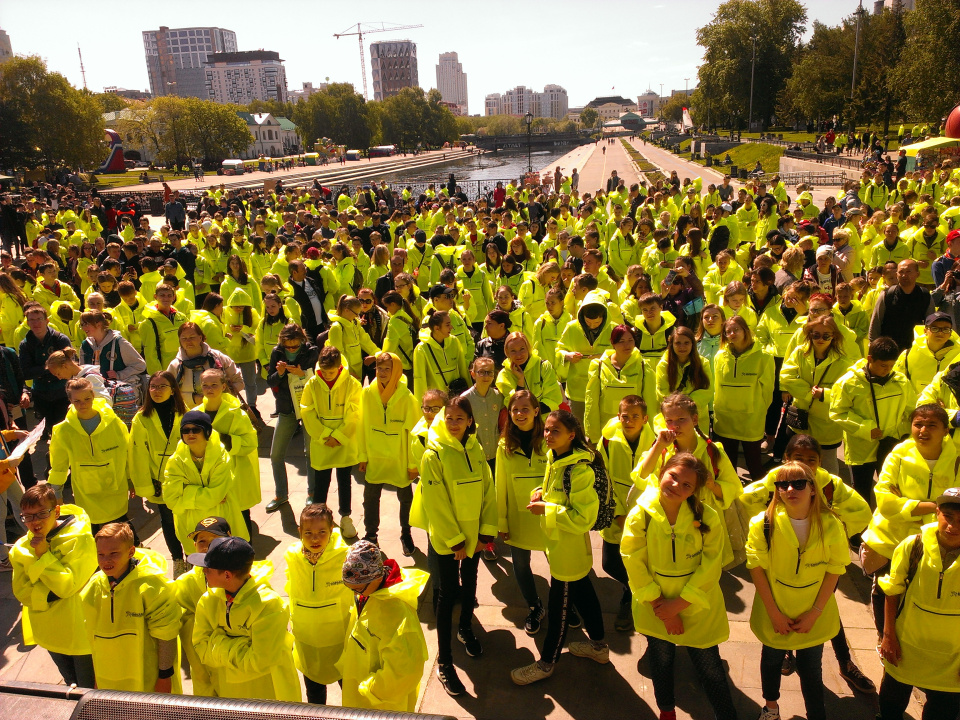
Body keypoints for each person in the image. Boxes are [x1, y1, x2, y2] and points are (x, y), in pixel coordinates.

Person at [740, 433, 874, 690]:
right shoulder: (776, 480)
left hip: (821, 563)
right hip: (782, 562)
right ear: (786, 459)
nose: (805, 464)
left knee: (821, 610)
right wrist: (766, 525)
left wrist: (836, 529)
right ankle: (788, 651)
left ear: (820, 462)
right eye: (797, 458)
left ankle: (845, 662)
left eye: (811, 460)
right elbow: (745, 500)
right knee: (786, 609)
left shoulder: (830, 484)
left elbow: (862, 510)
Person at [621, 453, 738, 720]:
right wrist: (660, 605)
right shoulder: (641, 513)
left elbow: (711, 564)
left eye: (687, 485)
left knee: (711, 669)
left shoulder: (707, 516)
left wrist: (679, 605)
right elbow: (632, 559)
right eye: (673, 476)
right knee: (660, 664)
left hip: (697, 608)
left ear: (695, 491)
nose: (676, 486)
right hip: (657, 608)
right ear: (662, 472)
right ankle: (666, 711)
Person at [746, 462, 851, 720]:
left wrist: (814, 613)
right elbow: (756, 567)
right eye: (783, 484)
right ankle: (771, 707)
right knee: (771, 660)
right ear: (777, 491)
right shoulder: (763, 523)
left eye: (799, 483)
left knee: (811, 667)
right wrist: (774, 613)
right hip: (775, 607)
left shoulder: (831, 524)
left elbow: (835, 569)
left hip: (812, 608)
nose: (790, 489)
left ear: (813, 489)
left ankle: (816, 713)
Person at [511, 410, 608, 686]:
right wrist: (542, 492)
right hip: (562, 548)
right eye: (547, 430)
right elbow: (559, 493)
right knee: (586, 596)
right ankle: (599, 647)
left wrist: (547, 509)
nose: (548, 435)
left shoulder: (579, 469)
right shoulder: (557, 457)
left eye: (555, 431)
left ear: (571, 435)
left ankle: (546, 663)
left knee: (559, 611)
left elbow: (583, 518)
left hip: (569, 552)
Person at [413, 394, 496, 696]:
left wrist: (485, 533)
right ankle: (445, 662)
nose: (453, 423)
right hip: (448, 541)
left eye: (459, 418)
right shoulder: (432, 454)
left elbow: (488, 490)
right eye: (449, 418)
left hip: (472, 537)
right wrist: (456, 541)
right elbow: (436, 503)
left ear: (470, 421)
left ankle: (465, 628)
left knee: (471, 584)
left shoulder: (476, 449)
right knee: (446, 595)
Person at [861, 404, 957, 638]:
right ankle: (884, 641)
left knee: (920, 597)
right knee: (884, 594)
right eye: (918, 424)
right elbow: (884, 501)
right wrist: (935, 506)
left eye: (931, 425)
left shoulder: (957, 459)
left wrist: (904, 502)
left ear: (946, 430)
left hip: (933, 543)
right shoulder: (899, 454)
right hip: (890, 541)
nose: (923, 430)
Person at [876, 486, 960, 720]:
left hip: (952, 661)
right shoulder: (913, 546)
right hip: (905, 650)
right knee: (890, 708)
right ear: (937, 514)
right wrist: (888, 636)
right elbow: (892, 592)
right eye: (948, 517)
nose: (953, 526)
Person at [191, 536, 301, 702]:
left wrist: (218, 641)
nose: (203, 571)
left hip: (272, 696)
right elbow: (200, 647)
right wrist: (243, 646)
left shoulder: (269, 605)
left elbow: (259, 662)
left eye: (208, 569)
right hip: (230, 695)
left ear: (227, 575)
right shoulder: (208, 600)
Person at [10, 484, 97, 688]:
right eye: (28, 516)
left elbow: (68, 586)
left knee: (88, 688)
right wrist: (49, 593)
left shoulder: (81, 539)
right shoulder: (21, 548)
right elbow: (22, 593)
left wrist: (43, 557)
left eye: (41, 513)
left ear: (56, 510)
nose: (35, 522)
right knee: (70, 684)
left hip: (79, 633)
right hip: (49, 633)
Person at [81, 522, 182, 693]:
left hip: (148, 677)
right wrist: (98, 677)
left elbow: (167, 637)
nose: (106, 560)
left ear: (131, 552)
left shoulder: (152, 587)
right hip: (109, 678)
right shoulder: (93, 587)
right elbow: (93, 639)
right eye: (101, 554)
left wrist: (165, 677)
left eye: (114, 553)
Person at [338, 539, 429, 712]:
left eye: (357, 589)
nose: (355, 593)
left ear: (376, 577)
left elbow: (405, 672)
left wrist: (369, 689)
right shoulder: (366, 592)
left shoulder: (399, 617)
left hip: (382, 703)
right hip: (359, 685)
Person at [830, 336, 916, 507]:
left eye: (891, 366)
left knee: (891, 488)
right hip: (861, 447)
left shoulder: (901, 381)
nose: (887, 370)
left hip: (891, 443)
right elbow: (837, 412)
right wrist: (865, 428)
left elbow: (911, 411)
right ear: (870, 359)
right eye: (883, 366)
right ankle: (860, 528)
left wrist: (902, 434)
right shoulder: (848, 382)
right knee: (861, 490)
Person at [284, 504, 352, 705]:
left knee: (348, 689)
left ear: (332, 530)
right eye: (308, 533)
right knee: (314, 694)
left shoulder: (345, 556)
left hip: (338, 636)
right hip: (307, 638)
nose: (315, 538)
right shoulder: (292, 555)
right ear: (300, 532)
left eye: (322, 532)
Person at [598, 395, 655, 633]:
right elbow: (603, 479)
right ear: (618, 416)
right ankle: (635, 590)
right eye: (624, 416)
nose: (629, 421)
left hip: (645, 517)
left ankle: (631, 600)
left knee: (640, 560)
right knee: (610, 563)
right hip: (616, 514)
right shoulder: (609, 441)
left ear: (645, 418)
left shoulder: (656, 444)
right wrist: (619, 515)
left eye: (635, 417)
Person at [496, 390, 550, 635]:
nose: (519, 414)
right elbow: (501, 485)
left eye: (525, 409)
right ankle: (534, 605)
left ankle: (564, 605)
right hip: (517, 517)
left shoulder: (550, 440)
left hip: (548, 515)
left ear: (536, 411)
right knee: (520, 564)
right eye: (515, 410)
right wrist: (501, 521)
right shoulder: (504, 445)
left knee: (557, 562)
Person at [48, 377, 132, 534]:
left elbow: (126, 453)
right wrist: (57, 492)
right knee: (91, 534)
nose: (83, 404)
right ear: (70, 401)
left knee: (122, 530)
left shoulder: (113, 423)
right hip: (86, 492)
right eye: (77, 401)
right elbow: (58, 464)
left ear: (94, 396)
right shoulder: (63, 431)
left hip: (115, 488)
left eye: (87, 399)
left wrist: (131, 479)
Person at [357, 352, 419, 554]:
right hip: (375, 455)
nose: (382, 373)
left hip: (399, 456)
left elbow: (414, 433)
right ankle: (371, 534)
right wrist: (362, 455)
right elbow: (361, 424)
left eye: (387, 369)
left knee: (405, 498)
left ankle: (406, 533)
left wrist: (412, 464)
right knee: (371, 497)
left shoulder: (407, 397)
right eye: (379, 368)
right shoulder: (367, 393)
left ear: (396, 371)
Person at [162, 409, 249, 552]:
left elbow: (216, 495)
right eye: (186, 430)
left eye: (196, 429)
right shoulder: (175, 461)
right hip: (190, 525)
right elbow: (170, 499)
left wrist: (186, 493)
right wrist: (207, 495)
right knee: (199, 566)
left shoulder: (222, 457)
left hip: (221, 520)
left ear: (207, 432)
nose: (190, 434)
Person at [130, 371, 189, 577]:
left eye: (162, 386)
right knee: (168, 521)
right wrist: (144, 483)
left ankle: (191, 557)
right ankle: (177, 559)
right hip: (159, 480)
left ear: (173, 390)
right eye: (153, 387)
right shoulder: (142, 418)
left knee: (186, 518)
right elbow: (137, 454)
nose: (156, 391)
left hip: (184, 479)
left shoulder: (185, 413)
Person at [779, 317, 855, 475]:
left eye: (826, 335)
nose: (821, 339)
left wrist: (824, 395)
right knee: (796, 462)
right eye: (816, 335)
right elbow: (786, 376)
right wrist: (808, 393)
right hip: (801, 419)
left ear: (834, 336)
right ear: (809, 334)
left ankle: (828, 497)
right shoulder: (800, 352)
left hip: (826, 424)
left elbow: (847, 393)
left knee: (827, 465)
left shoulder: (844, 363)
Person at [300, 346, 361, 536]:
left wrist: (339, 436)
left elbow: (355, 413)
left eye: (331, 372)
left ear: (340, 367)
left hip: (344, 441)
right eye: (324, 372)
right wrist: (325, 435)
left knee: (345, 481)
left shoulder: (352, 384)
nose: (327, 375)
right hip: (322, 442)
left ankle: (346, 517)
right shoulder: (312, 384)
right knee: (321, 482)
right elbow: (307, 411)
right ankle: (319, 519)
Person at [193, 368, 260, 537]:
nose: (209, 389)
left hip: (235, 474)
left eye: (214, 385)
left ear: (223, 386)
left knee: (241, 518)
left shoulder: (237, 413)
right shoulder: (194, 414)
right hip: (209, 476)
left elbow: (250, 443)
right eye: (205, 385)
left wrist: (225, 440)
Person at [713, 316, 775, 481]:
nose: (732, 334)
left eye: (736, 330)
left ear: (745, 330)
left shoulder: (764, 357)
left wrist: (759, 410)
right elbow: (717, 386)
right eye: (728, 332)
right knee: (728, 464)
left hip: (750, 417)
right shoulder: (720, 356)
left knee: (754, 464)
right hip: (725, 417)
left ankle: (761, 497)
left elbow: (768, 390)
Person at [265, 324, 319, 512]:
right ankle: (281, 495)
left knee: (310, 453)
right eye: (287, 346)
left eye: (294, 346)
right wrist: (279, 373)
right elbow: (269, 380)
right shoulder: (276, 352)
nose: (290, 349)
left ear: (302, 341)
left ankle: (313, 494)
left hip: (307, 407)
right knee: (276, 454)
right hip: (286, 407)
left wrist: (303, 374)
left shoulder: (312, 351)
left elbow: (319, 379)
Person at [583, 323, 654, 443]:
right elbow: (591, 401)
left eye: (630, 340)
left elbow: (650, 401)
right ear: (613, 343)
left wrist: (651, 432)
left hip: (634, 429)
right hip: (605, 430)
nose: (627, 345)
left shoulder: (643, 366)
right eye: (621, 341)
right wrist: (593, 434)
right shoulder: (598, 366)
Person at [558, 292, 614, 426]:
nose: (592, 326)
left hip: (604, 388)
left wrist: (605, 356)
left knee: (603, 426)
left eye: (597, 322)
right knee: (578, 426)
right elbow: (558, 350)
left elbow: (623, 353)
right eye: (588, 322)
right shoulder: (571, 327)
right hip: (577, 389)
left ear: (604, 317)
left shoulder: (613, 328)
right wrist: (567, 355)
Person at [167, 322, 244, 407]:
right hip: (191, 413)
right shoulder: (175, 365)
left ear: (200, 337)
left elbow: (239, 381)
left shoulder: (218, 358)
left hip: (223, 410)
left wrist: (220, 396)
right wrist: (192, 399)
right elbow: (168, 392)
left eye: (192, 337)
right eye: (184, 338)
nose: (188, 341)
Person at [868, 259, 934, 352]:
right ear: (896, 275)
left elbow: (931, 324)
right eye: (901, 272)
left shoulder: (925, 295)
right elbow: (876, 322)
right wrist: (873, 346)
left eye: (908, 272)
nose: (904, 275)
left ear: (917, 274)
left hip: (916, 349)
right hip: (889, 349)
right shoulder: (887, 295)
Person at [412, 310, 470, 404]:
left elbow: (463, 370)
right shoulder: (421, 349)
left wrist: (469, 396)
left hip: (455, 399)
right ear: (436, 328)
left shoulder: (455, 341)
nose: (451, 327)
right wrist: (422, 406)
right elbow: (419, 380)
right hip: (435, 402)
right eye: (447, 325)